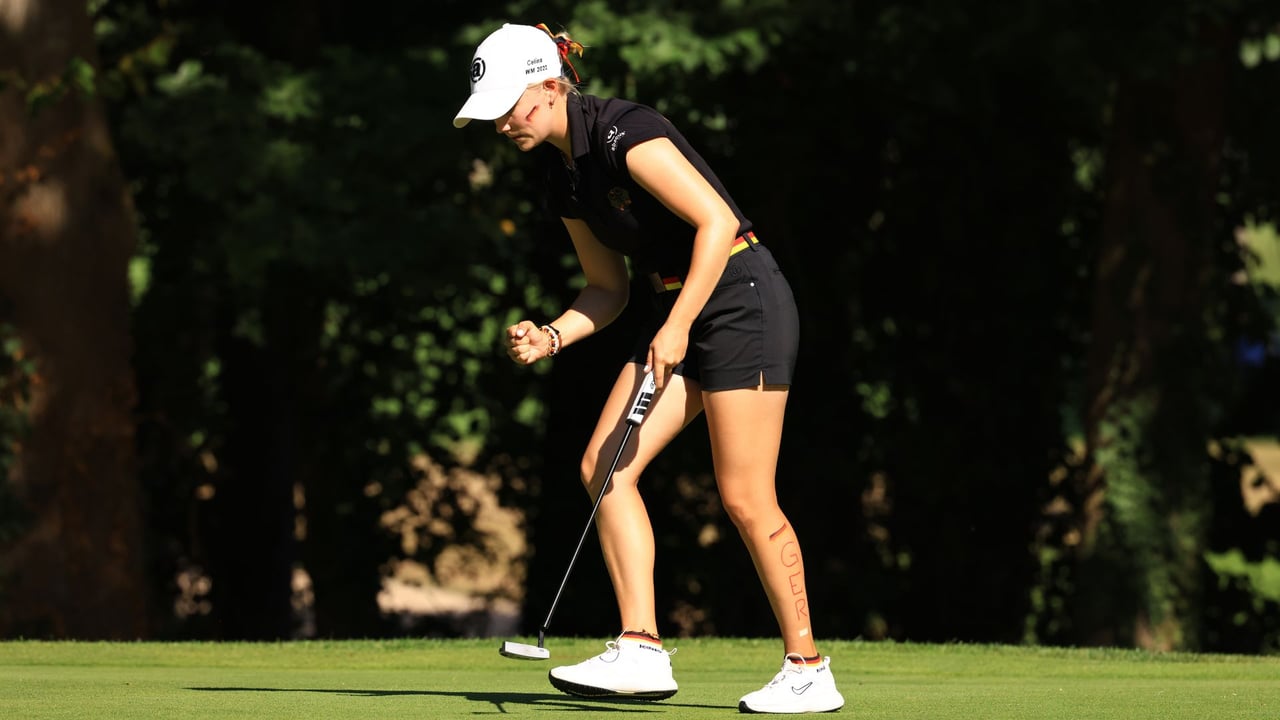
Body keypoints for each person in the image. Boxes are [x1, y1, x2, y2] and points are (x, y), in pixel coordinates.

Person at [453, 22, 845, 714]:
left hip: (742, 300)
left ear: (551, 85)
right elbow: (607, 287)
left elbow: (717, 223)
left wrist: (680, 324)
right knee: (604, 467)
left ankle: (808, 667)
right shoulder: (560, 171)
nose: (502, 124)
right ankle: (640, 649)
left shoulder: (623, 131)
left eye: (510, 105)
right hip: (681, 311)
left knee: (745, 495)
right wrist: (552, 334)